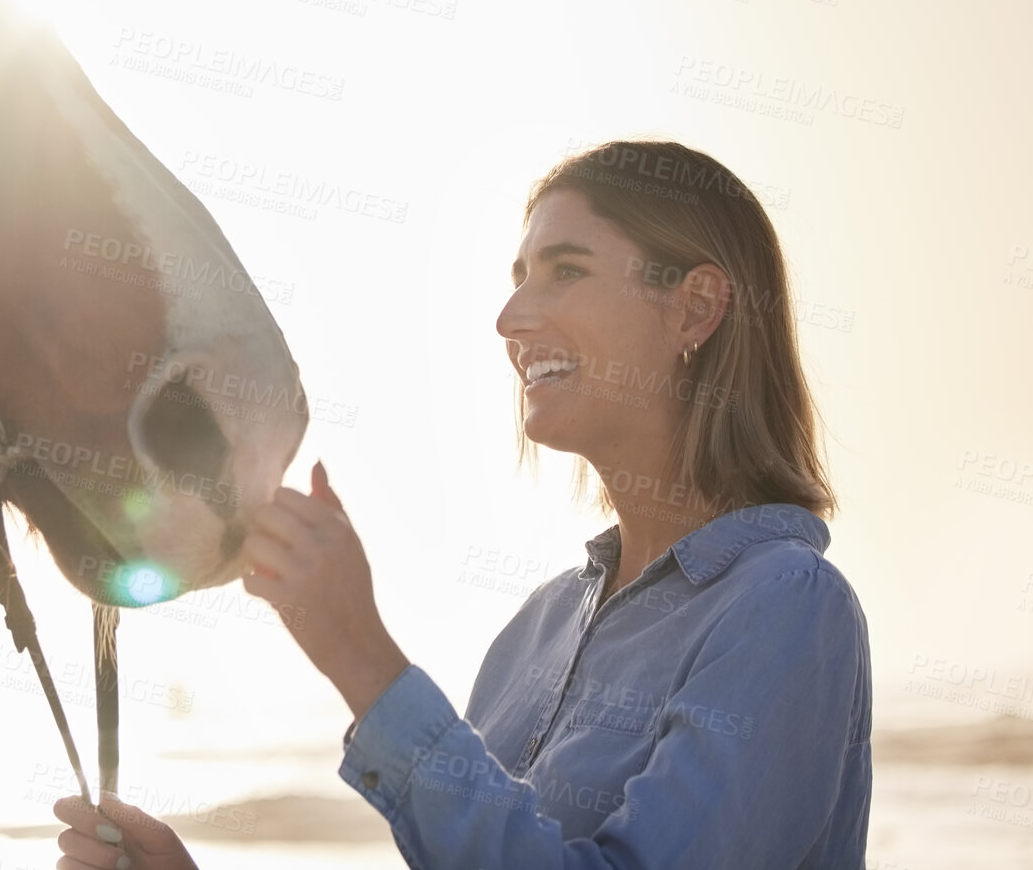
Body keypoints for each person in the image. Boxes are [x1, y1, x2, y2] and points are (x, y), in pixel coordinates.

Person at [49, 139, 872, 869]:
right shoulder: (539, 629)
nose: (511, 319)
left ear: (694, 306)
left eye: (567, 271)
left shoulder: (788, 608)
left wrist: (364, 661)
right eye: (518, 279)